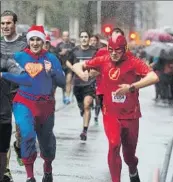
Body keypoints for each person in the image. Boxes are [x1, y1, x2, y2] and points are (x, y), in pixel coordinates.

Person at [72, 34, 159, 182]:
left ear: (124, 48)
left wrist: (131, 87)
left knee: (129, 155)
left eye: (117, 50)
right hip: (110, 113)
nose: (113, 53)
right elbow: (77, 65)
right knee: (113, 144)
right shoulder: (103, 59)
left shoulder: (133, 62)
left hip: (131, 115)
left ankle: (132, 169)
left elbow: (153, 77)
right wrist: (81, 72)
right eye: (110, 49)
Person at [0, 25, 65, 182]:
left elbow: (62, 81)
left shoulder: (51, 58)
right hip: (24, 102)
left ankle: (47, 167)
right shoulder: (19, 57)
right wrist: (5, 74)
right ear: (28, 41)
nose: (35, 43)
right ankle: (30, 176)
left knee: (47, 142)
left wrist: (52, 72)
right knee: (27, 135)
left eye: (38, 40)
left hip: (45, 105)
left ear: (43, 41)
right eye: (32, 40)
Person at [0, 10, 28, 181]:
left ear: (15, 24)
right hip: (2, 93)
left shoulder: (24, 44)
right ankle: (6, 169)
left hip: (19, 91)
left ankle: (19, 146)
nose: (5, 26)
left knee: (20, 130)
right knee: (4, 130)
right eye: (2, 24)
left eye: (8, 23)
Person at [66, 30, 97, 141]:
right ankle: (81, 109)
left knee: (87, 104)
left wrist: (93, 72)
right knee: (82, 106)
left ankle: (84, 131)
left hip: (90, 82)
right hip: (78, 83)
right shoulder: (75, 51)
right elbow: (67, 62)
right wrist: (73, 68)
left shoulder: (94, 51)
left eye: (86, 37)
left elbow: (100, 62)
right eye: (82, 37)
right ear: (80, 38)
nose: (84, 39)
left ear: (89, 39)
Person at [56, 31, 75, 104]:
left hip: (69, 65)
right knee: (63, 83)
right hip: (61, 66)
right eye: (64, 36)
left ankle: (67, 97)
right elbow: (55, 54)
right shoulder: (59, 45)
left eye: (67, 36)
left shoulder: (72, 45)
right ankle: (64, 94)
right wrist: (61, 53)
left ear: (69, 36)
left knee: (69, 81)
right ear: (62, 37)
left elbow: (75, 53)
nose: (66, 37)